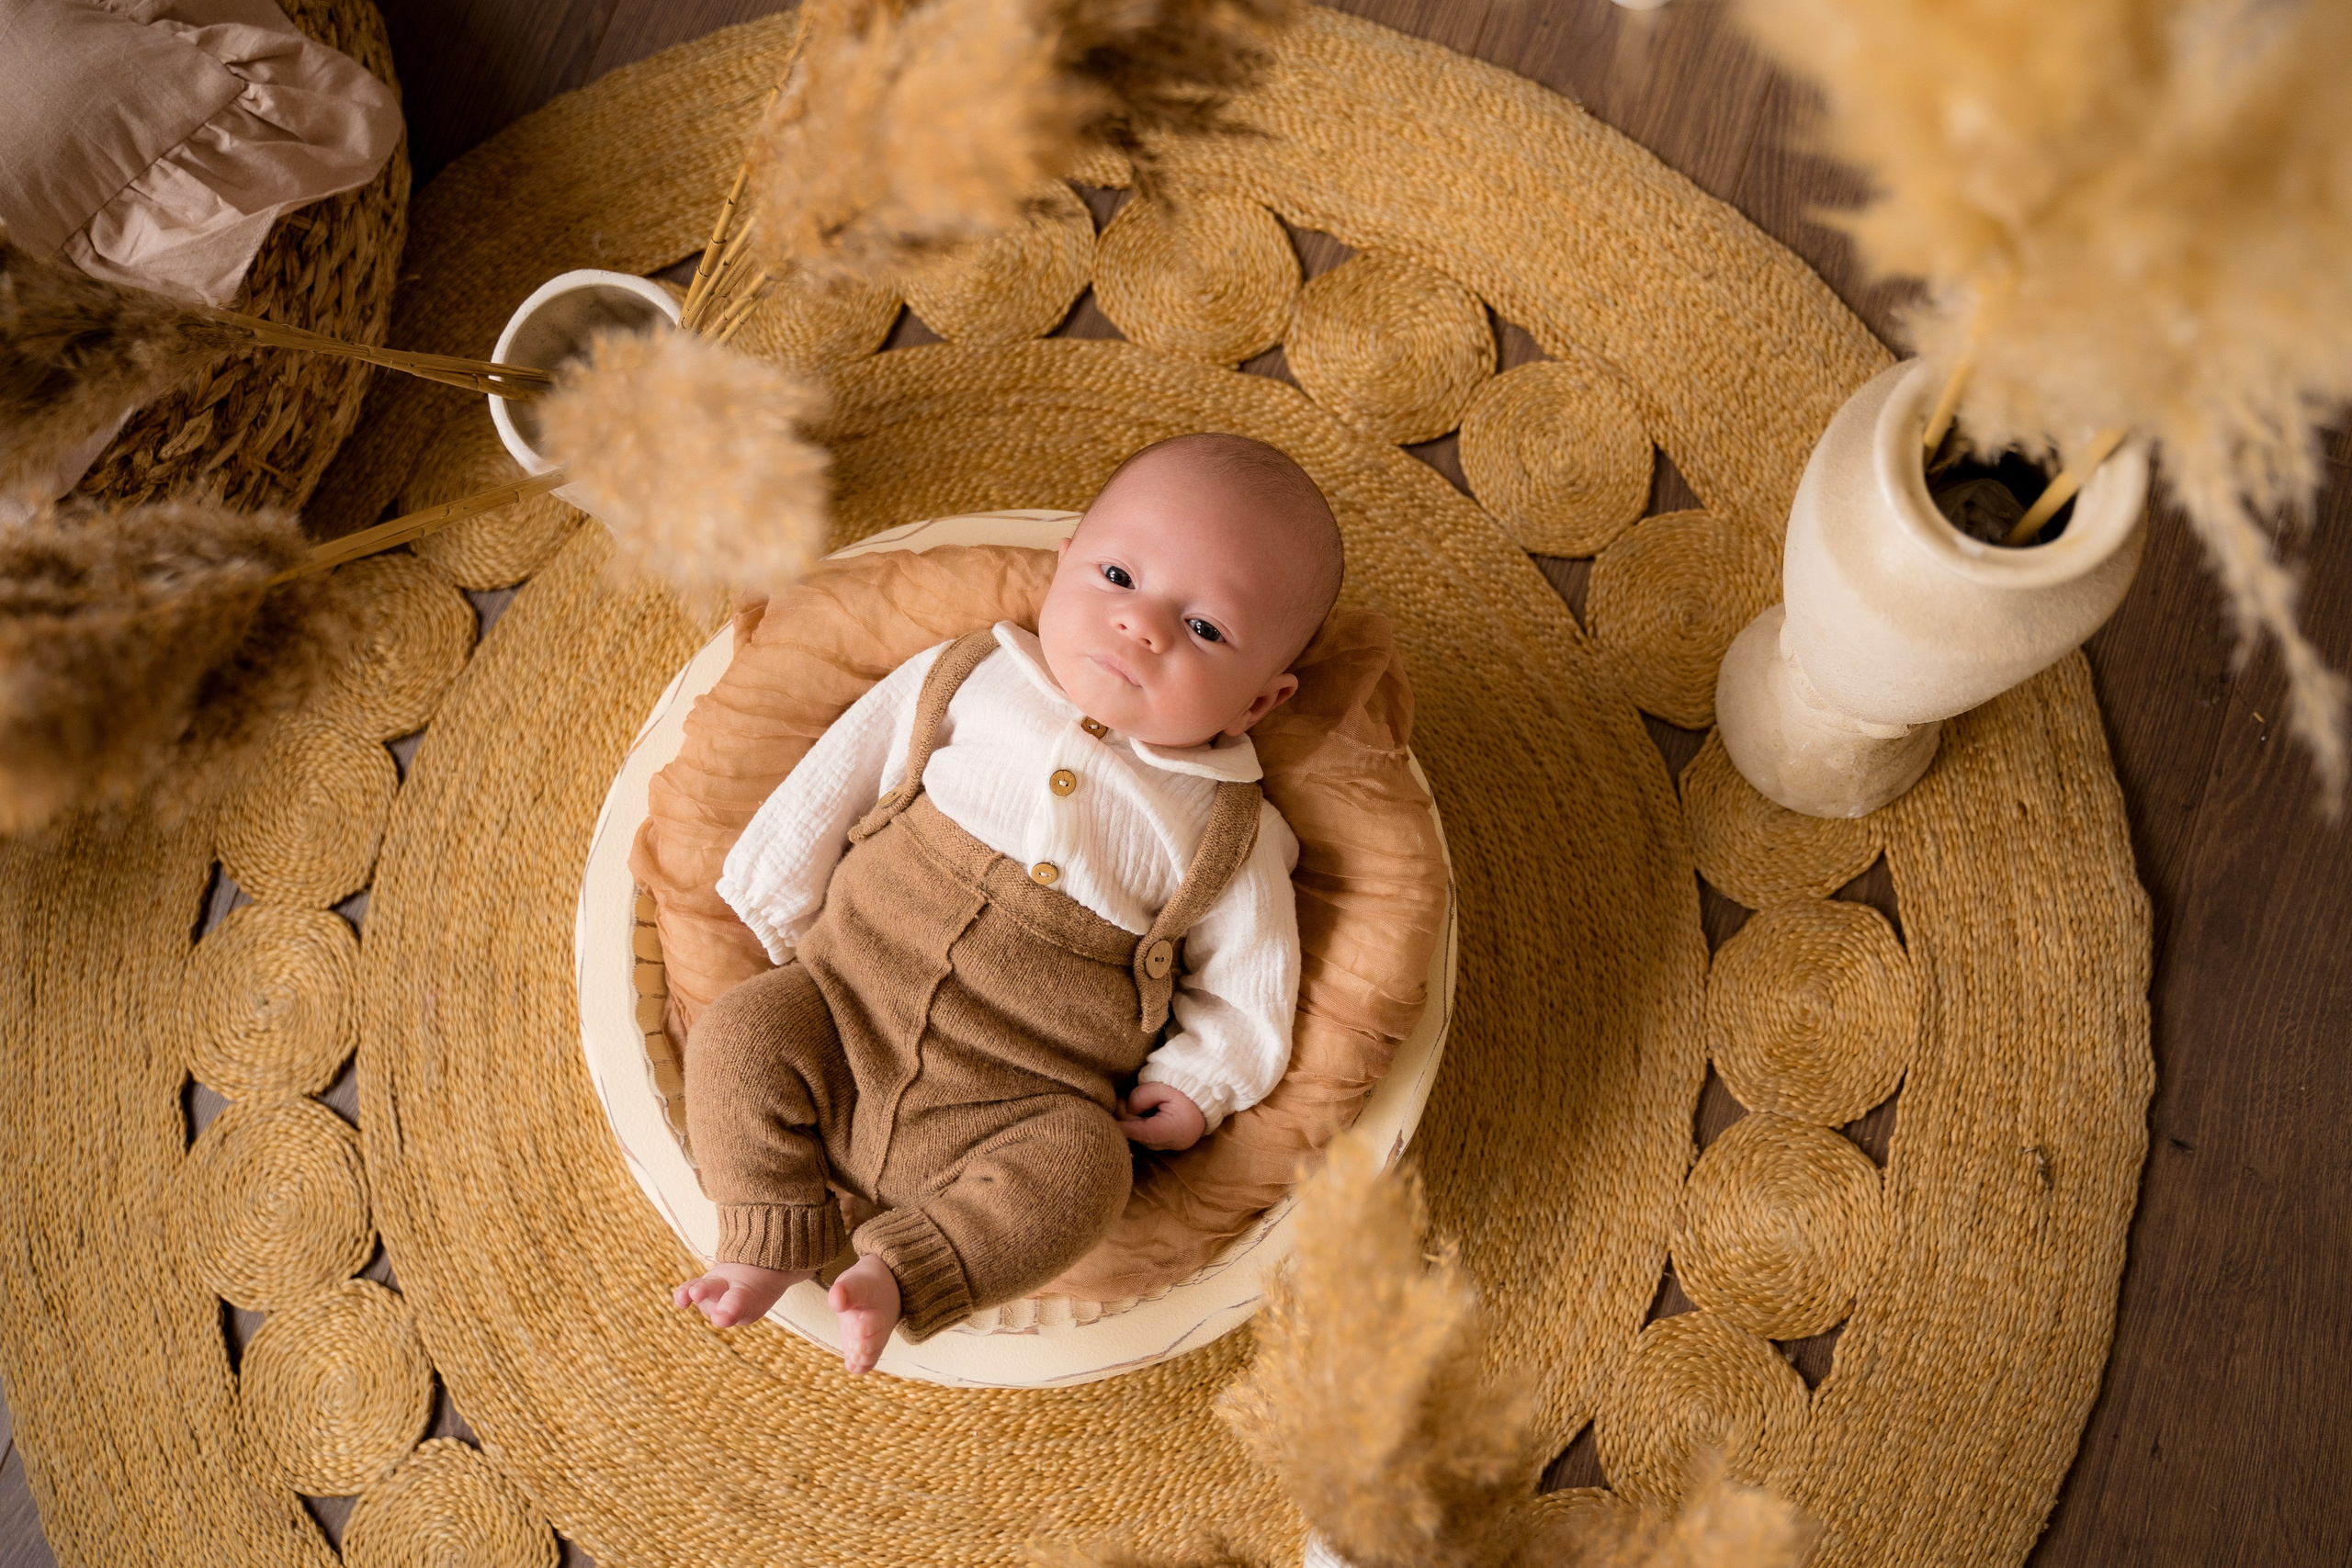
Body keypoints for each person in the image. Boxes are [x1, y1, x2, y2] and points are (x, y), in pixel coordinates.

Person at [673, 432, 1346, 1372]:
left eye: (1203, 630)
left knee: (1087, 1174)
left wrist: (1201, 1083)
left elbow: (1253, 974)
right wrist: (782, 904)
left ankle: (904, 1273)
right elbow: (844, 769)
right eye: (1117, 575)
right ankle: (765, 1233)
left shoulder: (1227, 825)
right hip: (842, 1007)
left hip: (1017, 1106)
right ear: (1064, 566)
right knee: (740, 1031)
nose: (1142, 627)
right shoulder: (973, 676)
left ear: (1258, 705)